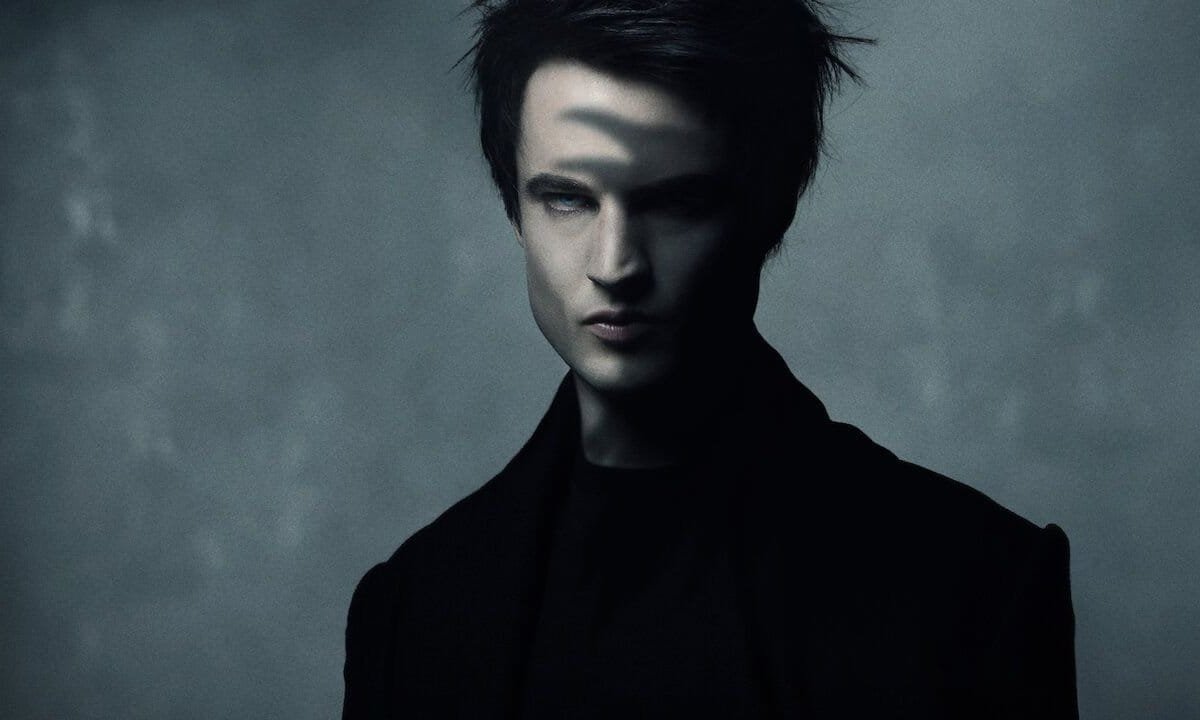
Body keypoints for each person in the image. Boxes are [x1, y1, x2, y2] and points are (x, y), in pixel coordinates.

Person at [342, 0, 1079, 717]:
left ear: (772, 208)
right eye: (567, 200)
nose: (615, 264)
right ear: (515, 211)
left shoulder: (978, 591)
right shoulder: (412, 610)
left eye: (674, 203)